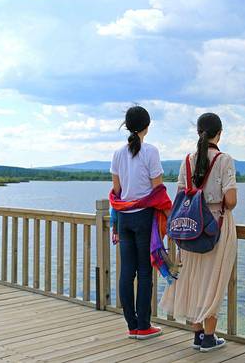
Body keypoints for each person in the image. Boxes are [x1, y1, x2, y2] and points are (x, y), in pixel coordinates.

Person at [160, 112, 238, 352]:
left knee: (192, 278)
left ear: (198, 133)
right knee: (213, 281)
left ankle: (197, 334)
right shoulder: (224, 160)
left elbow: (179, 196)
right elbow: (231, 200)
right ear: (219, 134)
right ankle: (209, 337)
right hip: (216, 226)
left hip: (190, 228)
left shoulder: (187, 160)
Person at [109, 106, 167, 340]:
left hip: (124, 217)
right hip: (144, 217)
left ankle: (131, 325)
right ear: (147, 126)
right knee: (144, 272)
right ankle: (143, 325)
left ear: (127, 125)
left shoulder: (117, 153)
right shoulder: (151, 151)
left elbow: (116, 190)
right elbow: (158, 189)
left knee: (127, 272)